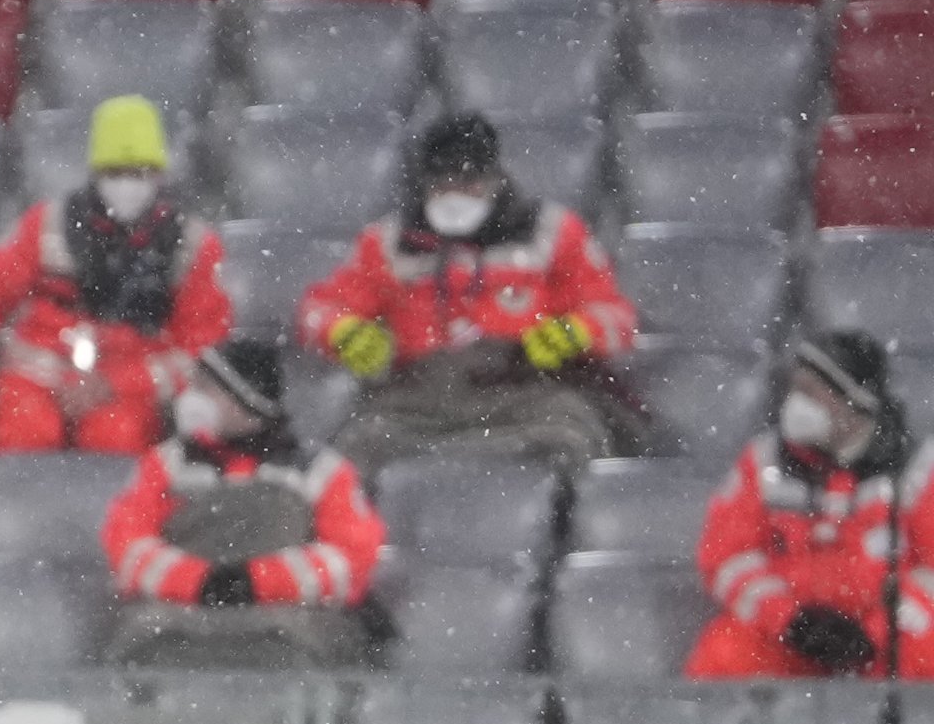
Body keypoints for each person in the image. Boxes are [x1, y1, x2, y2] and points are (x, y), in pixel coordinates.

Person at [299, 111, 641, 472]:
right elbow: (320, 308)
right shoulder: (387, 242)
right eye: (441, 184)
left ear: (494, 177)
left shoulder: (552, 233)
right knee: (351, 454)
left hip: (528, 394)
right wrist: (342, 332)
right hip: (416, 399)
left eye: (469, 182)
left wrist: (579, 332)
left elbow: (617, 316)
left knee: (576, 443)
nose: (455, 194)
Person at [0, 96, 231, 454]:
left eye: (138, 172)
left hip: (131, 392)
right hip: (34, 381)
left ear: (159, 175)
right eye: (114, 172)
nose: (127, 185)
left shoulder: (193, 246)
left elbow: (204, 348)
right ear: (94, 174)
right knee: (23, 437)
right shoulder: (45, 226)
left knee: (117, 441)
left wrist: (120, 382)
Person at [98, 342, 388, 667]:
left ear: (246, 399)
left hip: (290, 626)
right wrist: (199, 582)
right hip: (174, 621)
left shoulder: (323, 470)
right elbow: (126, 546)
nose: (190, 398)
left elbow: (352, 559)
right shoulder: (164, 464)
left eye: (206, 389)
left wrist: (255, 582)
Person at [688, 335, 923, 680]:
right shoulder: (763, 462)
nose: (796, 404)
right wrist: (790, 620)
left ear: (854, 400)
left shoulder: (918, 470)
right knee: (725, 655)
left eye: (811, 392)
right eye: (795, 390)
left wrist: (876, 633)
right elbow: (726, 557)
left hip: (889, 639)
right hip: (790, 634)